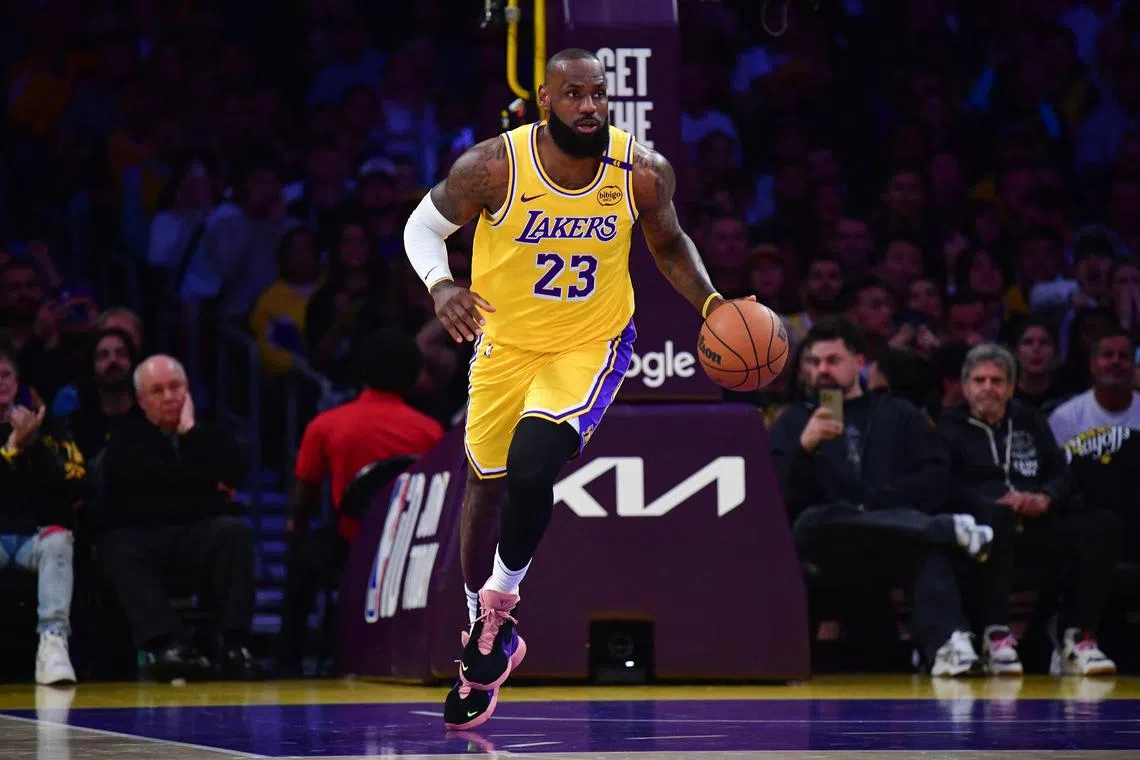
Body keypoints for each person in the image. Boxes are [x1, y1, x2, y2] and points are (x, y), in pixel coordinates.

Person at [402, 48, 742, 729]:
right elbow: (422, 227)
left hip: (589, 345)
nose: (589, 106)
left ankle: (499, 609)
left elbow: (669, 245)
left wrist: (711, 305)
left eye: (598, 94)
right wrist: (441, 286)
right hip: (504, 345)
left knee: (533, 465)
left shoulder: (639, 171)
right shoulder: (494, 166)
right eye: (574, 95)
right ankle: (483, 631)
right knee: (485, 485)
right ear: (544, 99)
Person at [768, 318, 995, 677]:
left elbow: (935, 475)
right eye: (813, 363)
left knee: (925, 549)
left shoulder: (897, 413)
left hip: (896, 541)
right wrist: (803, 448)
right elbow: (773, 493)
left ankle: (951, 646)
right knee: (811, 521)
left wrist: (876, 506)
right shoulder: (793, 422)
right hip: (831, 544)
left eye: (832, 360)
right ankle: (943, 529)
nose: (822, 370)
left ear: (859, 362)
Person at [939, 344, 1117, 676]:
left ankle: (1076, 638)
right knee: (999, 517)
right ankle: (996, 635)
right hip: (983, 529)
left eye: (997, 380)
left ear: (1011, 386)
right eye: (979, 380)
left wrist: (1045, 497)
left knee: (1100, 525)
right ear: (965, 387)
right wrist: (989, 501)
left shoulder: (1029, 420)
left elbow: (1062, 474)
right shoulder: (949, 427)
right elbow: (944, 486)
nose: (988, 388)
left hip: (1038, 522)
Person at [277, 329, 444, 674]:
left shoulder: (327, 425)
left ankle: (288, 660)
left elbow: (304, 495)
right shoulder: (431, 432)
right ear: (413, 374)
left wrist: (297, 525)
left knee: (302, 552)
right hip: (409, 550)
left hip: (350, 545)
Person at [100, 355, 258, 681]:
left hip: (198, 534)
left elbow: (236, 471)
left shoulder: (208, 432)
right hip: (147, 536)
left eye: (176, 387)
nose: (170, 397)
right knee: (119, 547)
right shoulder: (126, 439)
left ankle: (233, 645)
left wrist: (190, 432)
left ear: (188, 390)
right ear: (142, 401)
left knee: (234, 533)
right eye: (158, 391)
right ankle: (168, 644)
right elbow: (139, 490)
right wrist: (204, 486)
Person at [0, 343, 86, 685]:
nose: (0, 383)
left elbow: (69, 486)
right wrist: (10, 449)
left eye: (5, 374)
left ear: (17, 379)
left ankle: (53, 644)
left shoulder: (49, 429)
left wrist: (32, 444)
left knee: (59, 539)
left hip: (34, 538)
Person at [1049, 328, 1140, 442]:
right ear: (1092, 364)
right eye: (1108, 355)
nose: (1115, 361)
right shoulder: (1066, 417)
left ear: (1133, 366)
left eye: (1123, 356)